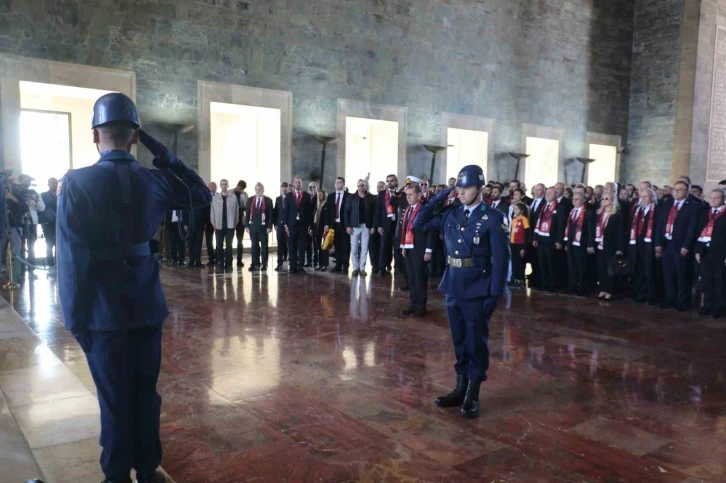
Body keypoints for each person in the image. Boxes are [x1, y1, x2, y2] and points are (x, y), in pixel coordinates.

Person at [56, 93, 211, 483]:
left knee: (114, 397)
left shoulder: (76, 182)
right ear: (135, 137)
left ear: (95, 135)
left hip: (101, 311)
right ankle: (147, 467)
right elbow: (200, 194)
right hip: (146, 305)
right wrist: (163, 153)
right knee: (146, 393)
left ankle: (115, 474)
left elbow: (71, 260)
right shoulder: (155, 179)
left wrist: (74, 318)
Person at [414, 165, 509, 419]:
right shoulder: (451, 214)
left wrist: (494, 295)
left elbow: (500, 261)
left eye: (466, 187)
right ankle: (460, 387)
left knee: (475, 341)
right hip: (454, 285)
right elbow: (419, 221)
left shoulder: (493, 218)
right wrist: (442, 194)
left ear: (480, 189)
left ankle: (473, 392)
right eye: (459, 187)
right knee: (459, 340)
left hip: (478, 288)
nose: (462, 192)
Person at [655, 180, 700, 310]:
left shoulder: (693, 206)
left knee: (682, 275)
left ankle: (682, 301)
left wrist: (686, 246)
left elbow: (692, 229)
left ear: (687, 192)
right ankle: (670, 298)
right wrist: (658, 243)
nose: (677, 192)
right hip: (666, 244)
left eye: (680, 190)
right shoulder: (667, 204)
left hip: (681, 245)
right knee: (668, 274)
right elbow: (659, 225)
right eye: (675, 189)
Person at [400, 182, 435, 316]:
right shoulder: (408, 209)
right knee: (411, 277)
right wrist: (403, 246)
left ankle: (421, 306)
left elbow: (431, 231)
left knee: (420, 277)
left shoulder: (424, 209)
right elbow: (405, 229)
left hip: (421, 247)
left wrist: (429, 250)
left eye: (411, 195)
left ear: (419, 195)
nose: (408, 197)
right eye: (406, 195)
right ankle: (413, 303)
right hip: (409, 246)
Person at [696, 189, 726, 317]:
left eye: (717, 198)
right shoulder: (705, 213)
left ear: (723, 199)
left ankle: (718, 307)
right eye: (711, 197)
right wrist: (697, 250)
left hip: (721, 253)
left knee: (720, 281)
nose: (713, 200)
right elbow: (699, 232)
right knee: (706, 280)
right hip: (705, 252)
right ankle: (707, 305)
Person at [629, 187, 660, 304]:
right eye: (641, 197)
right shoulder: (637, 210)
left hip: (650, 243)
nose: (643, 199)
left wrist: (658, 244)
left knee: (650, 269)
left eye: (646, 197)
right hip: (637, 242)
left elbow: (659, 228)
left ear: (652, 198)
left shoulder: (657, 209)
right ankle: (640, 293)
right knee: (639, 268)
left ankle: (651, 294)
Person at [532, 187, 565, 291]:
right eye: (547, 193)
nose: (548, 195)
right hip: (541, 238)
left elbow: (561, 225)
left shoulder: (559, 207)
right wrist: (535, 238)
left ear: (556, 195)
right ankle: (544, 282)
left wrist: (559, 240)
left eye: (550, 193)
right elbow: (538, 222)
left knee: (551, 263)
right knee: (542, 263)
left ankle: (552, 284)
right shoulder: (544, 206)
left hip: (551, 239)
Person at [563, 191, 596, 296]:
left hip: (582, 243)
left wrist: (590, 244)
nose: (574, 201)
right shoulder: (572, 211)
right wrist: (567, 243)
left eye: (577, 199)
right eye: (573, 199)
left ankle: (582, 287)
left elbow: (591, 230)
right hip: (571, 242)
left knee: (582, 266)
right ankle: (573, 285)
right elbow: (569, 227)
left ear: (583, 200)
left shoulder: (588, 212)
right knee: (572, 265)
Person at [595, 190, 625, 300]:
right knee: (601, 267)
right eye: (603, 199)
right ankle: (602, 289)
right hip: (599, 244)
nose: (603, 201)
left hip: (611, 245)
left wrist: (620, 248)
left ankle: (610, 290)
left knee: (610, 268)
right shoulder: (599, 213)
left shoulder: (617, 215)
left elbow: (620, 232)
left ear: (613, 201)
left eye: (606, 199)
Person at [343, 179, 376, 276]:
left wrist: (373, 226)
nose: (361, 187)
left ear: (366, 186)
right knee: (354, 249)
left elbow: (374, 213)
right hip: (354, 226)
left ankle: (362, 268)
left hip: (366, 226)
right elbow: (346, 212)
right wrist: (347, 226)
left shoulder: (370, 198)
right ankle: (355, 268)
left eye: (363, 185)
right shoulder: (351, 198)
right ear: (357, 186)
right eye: (359, 185)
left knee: (364, 248)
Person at [282, 176, 313, 273]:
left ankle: (300, 267)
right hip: (291, 225)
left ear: (301, 184)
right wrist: (285, 225)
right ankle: (292, 266)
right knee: (292, 247)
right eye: (296, 182)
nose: (297, 184)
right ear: (293, 183)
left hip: (303, 225)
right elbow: (285, 211)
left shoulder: (307, 196)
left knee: (301, 247)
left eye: (299, 182)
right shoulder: (289, 196)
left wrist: (309, 225)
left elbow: (310, 212)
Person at [373, 174, 401, 276]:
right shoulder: (381, 194)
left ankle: (398, 268)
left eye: (392, 180)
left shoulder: (401, 193)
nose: (390, 182)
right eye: (388, 181)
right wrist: (378, 225)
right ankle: (382, 268)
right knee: (384, 246)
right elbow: (377, 211)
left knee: (397, 247)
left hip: (398, 224)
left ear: (396, 182)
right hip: (385, 224)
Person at [18, 174, 45, 277]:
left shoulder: (35, 193)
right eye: (24, 181)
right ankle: (20, 270)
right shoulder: (17, 192)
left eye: (28, 181)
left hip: (32, 222)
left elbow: (42, 208)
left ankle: (31, 270)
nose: (27, 183)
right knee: (20, 247)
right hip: (20, 222)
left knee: (31, 246)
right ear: (20, 181)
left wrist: (35, 200)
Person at [210, 179, 239, 271]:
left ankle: (229, 263)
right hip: (218, 226)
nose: (224, 186)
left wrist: (235, 224)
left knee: (229, 245)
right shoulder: (215, 198)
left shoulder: (233, 197)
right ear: (220, 186)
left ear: (228, 185)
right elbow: (212, 212)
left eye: (226, 184)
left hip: (230, 225)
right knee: (219, 245)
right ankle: (220, 263)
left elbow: (237, 212)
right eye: (222, 184)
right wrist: (213, 223)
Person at [325, 177, 351, 273]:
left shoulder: (349, 196)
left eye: (339, 182)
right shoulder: (331, 196)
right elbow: (328, 212)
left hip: (344, 225)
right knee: (337, 246)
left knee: (345, 246)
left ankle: (345, 266)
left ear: (343, 184)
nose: (337, 184)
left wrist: (349, 225)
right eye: (336, 182)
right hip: (333, 224)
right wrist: (326, 224)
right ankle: (338, 265)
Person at [246, 182, 272, 271]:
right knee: (254, 246)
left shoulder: (268, 200)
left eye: (260, 189)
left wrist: (269, 226)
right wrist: (246, 226)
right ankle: (255, 263)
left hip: (264, 228)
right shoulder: (250, 200)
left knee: (264, 246)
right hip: (253, 227)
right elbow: (247, 213)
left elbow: (271, 215)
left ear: (263, 190)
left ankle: (264, 264)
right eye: (256, 189)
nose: (258, 191)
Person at [509, 202, 531, 289]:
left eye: (517, 209)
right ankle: (514, 279)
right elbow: (512, 232)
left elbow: (526, 233)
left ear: (521, 210)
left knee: (520, 263)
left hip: (520, 244)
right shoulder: (514, 219)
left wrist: (524, 247)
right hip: (513, 243)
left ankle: (520, 280)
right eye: (514, 208)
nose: (515, 210)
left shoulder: (524, 219)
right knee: (514, 262)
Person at [41, 178, 58, 266]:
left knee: (58, 243)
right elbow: (45, 206)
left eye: (56, 183)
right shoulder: (43, 195)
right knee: (49, 243)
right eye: (52, 184)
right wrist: (55, 197)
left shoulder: (61, 194)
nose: (54, 185)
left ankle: (58, 262)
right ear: (48, 184)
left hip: (58, 223)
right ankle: (50, 263)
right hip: (47, 223)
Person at [272, 182, 289, 271]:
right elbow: (275, 212)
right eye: (282, 189)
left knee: (290, 245)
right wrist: (275, 224)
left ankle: (292, 264)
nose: (284, 190)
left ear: (288, 189)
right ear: (280, 189)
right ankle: (279, 264)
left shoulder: (291, 198)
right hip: (279, 226)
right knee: (280, 246)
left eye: (285, 188)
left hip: (288, 227)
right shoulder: (278, 199)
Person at [313, 189, 329, 271]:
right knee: (319, 247)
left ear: (324, 195)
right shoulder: (316, 205)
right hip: (317, 229)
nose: (319, 196)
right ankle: (320, 264)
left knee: (324, 247)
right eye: (318, 195)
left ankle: (325, 265)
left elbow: (327, 217)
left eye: (320, 195)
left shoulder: (326, 205)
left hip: (324, 229)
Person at [233, 180, 248, 267]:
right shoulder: (230, 192)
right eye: (239, 187)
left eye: (242, 189)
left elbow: (246, 206)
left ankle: (239, 259)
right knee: (229, 240)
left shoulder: (244, 194)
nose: (240, 189)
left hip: (240, 219)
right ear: (237, 185)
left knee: (240, 240)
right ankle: (228, 259)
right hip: (231, 219)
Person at [204, 181, 217, 266]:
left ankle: (218, 257)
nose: (212, 187)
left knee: (219, 241)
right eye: (210, 186)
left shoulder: (220, 196)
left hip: (218, 222)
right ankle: (211, 258)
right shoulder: (205, 197)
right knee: (209, 241)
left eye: (213, 186)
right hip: (208, 223)